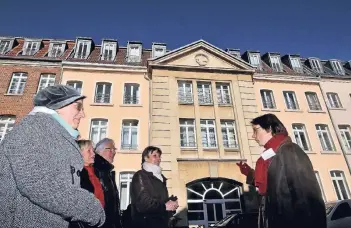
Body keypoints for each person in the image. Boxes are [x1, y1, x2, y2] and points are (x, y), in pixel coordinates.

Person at [0, 85, 105, 228]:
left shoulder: (48, 132)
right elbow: (39, 184)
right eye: (78, 107)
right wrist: (92, 207)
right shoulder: (33, 129)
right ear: (58, 106)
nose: (83, 114)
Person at [237, 113, 326, 228]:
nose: (253, 136)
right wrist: (249, 172)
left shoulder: (290, 150)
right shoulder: (270, 155)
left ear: (269, 128)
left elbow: (308, 199)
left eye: (255, 130)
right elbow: (269, 184)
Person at [130, 146, 179, 228]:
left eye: (159, 156)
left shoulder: (161, 178)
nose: (158, 159)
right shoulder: (140, 175)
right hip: (145, 224)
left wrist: (172, 204)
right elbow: (143, 203)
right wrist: (165, 206)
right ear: (146, 158)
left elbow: (160, 201)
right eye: (155, 156)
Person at [94, 138, 122, 228]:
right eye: (110, 149)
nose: (114, 152)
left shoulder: (108, 171)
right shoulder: (94, 170)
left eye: (114, 150)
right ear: (99, 151)